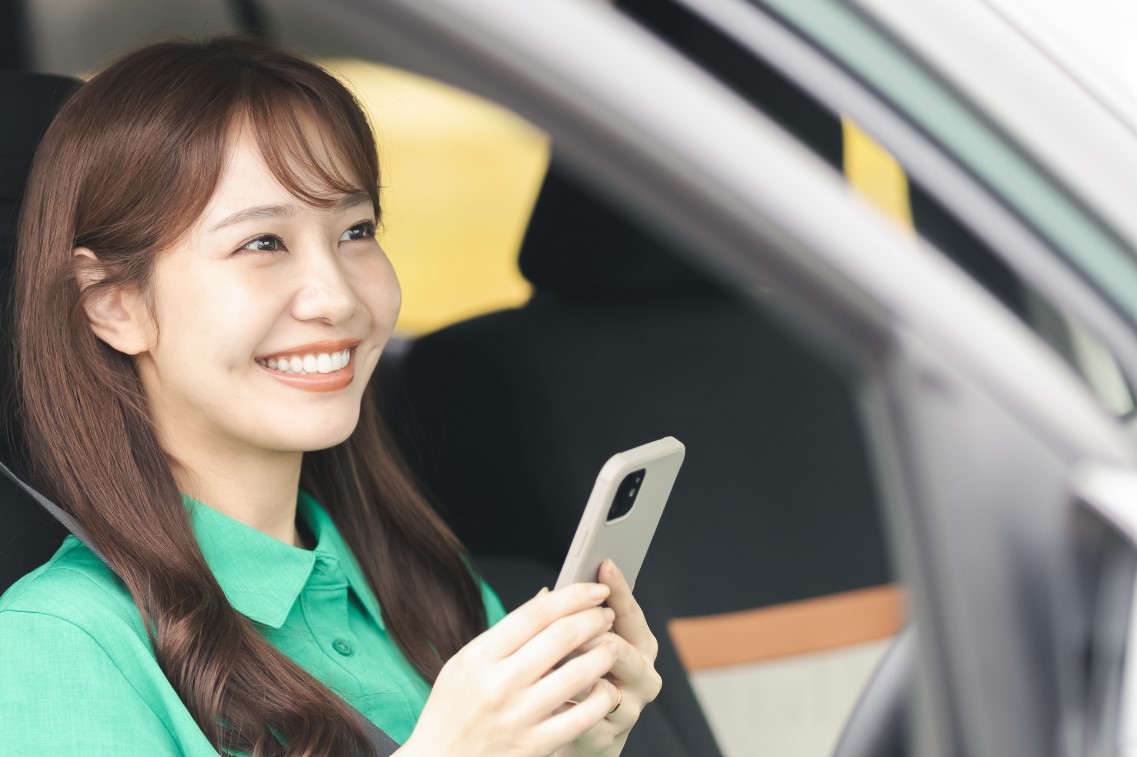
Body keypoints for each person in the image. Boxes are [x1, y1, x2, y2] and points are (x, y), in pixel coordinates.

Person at [0, 37, 661, 756]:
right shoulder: (60, 642)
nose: (337, 296)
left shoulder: (437, 590)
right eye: (262, 243)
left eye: (355, 230)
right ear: (113, 302)